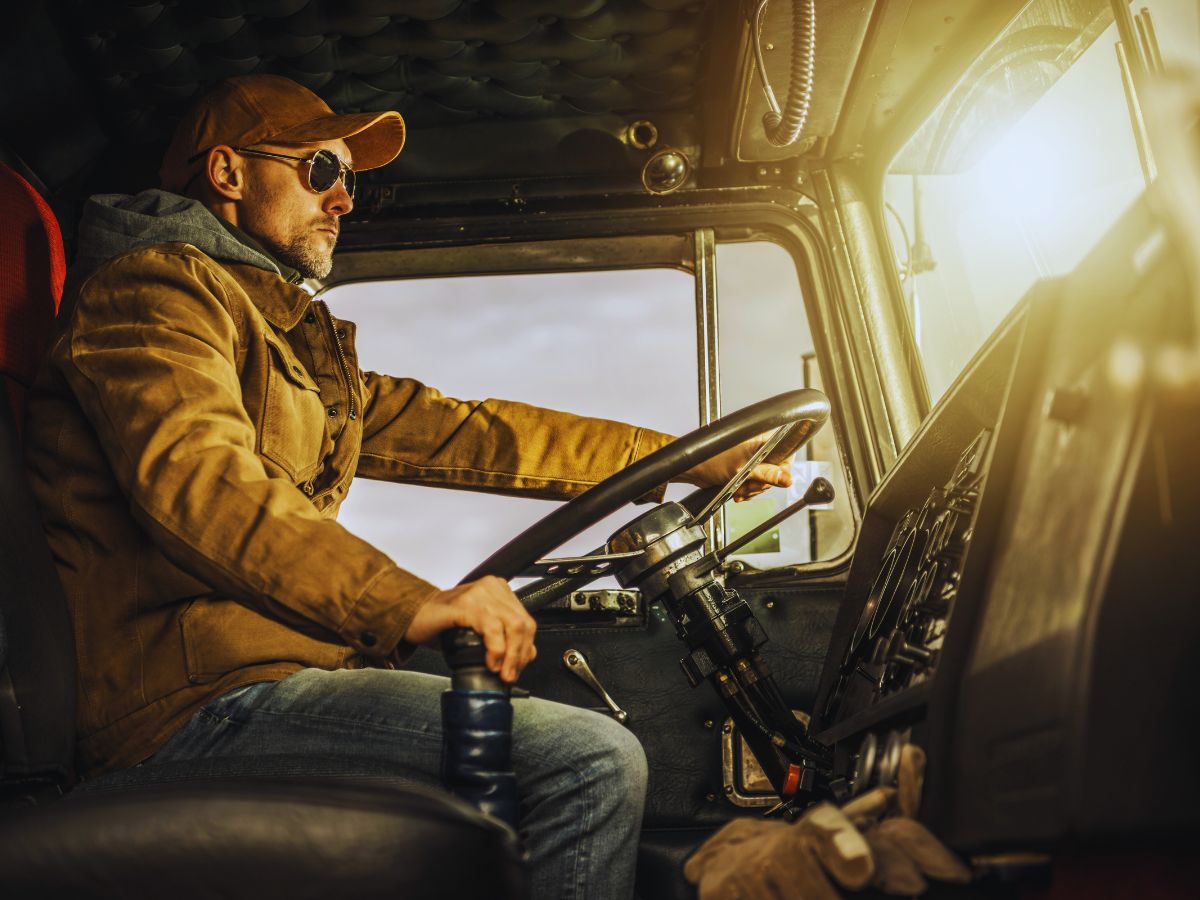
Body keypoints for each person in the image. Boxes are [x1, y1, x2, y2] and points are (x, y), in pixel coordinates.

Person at [23, 74, 792, 899]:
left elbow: (471, 432)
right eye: (322, 171)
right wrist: (408, 602)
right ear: (228, 175)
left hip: (282, 678)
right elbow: (203, 481)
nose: (344, 200)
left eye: (349, 179)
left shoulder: (286, 340)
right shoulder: (152, 295)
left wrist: (681, 458)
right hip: (190, 706)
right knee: (587, 763)